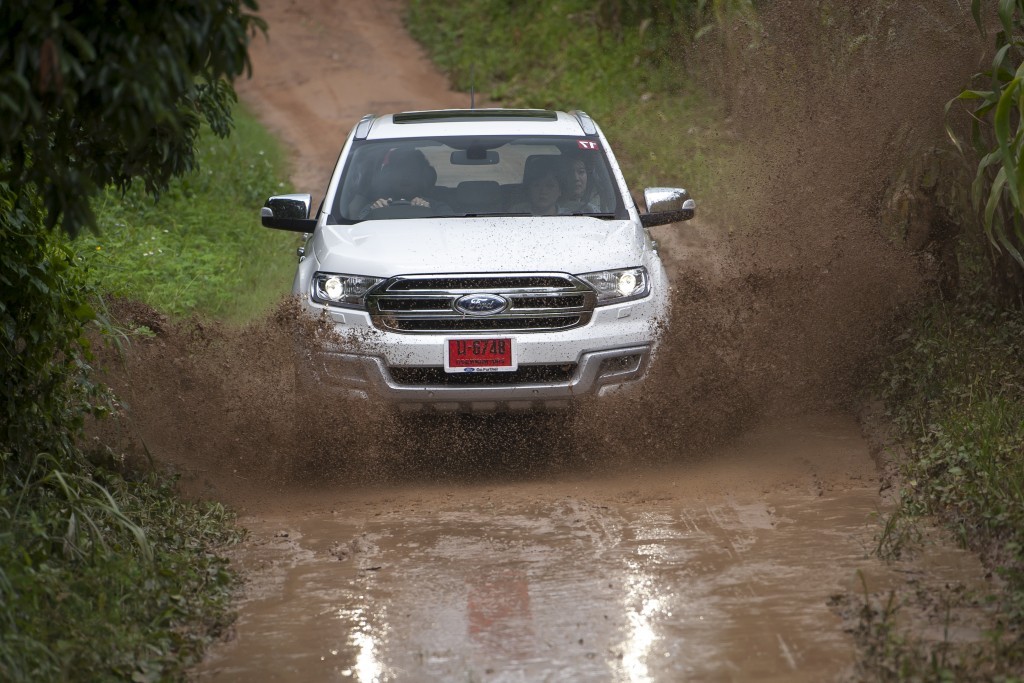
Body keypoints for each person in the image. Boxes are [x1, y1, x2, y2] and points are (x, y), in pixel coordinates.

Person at [357, 149, 451, 218]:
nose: (405, 177)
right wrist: (374, 212)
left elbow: (448, 228)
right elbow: (358, 229)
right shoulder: (374, 207)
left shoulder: (438, 208)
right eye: (399, 171)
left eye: (411, 170)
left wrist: (428, 211)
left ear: (423, 176)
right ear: (389, 175)